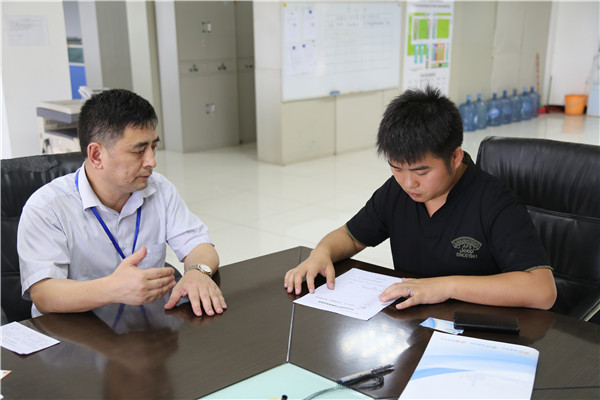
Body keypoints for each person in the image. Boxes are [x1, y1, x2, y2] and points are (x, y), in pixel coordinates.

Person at [284, 86, 557, 310]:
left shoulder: (494, 202)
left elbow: (542, 291)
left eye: (421, 171)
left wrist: (445, 286)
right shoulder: (397, 192)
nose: (408, 183)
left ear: (455, 157)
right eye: (396, 168)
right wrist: (321, 253)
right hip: (415, 323)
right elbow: (351, 236)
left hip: (478, 328)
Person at [18, 89, 227, 318]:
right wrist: (112, 289)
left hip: (146, 326)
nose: (152, 161)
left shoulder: (158, 188)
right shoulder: (47, 208)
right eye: (139, 151)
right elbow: (44, 294)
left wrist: (197, 271)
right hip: (76, 330)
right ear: (97, 155)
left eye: (153, 147)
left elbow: (199, 245)